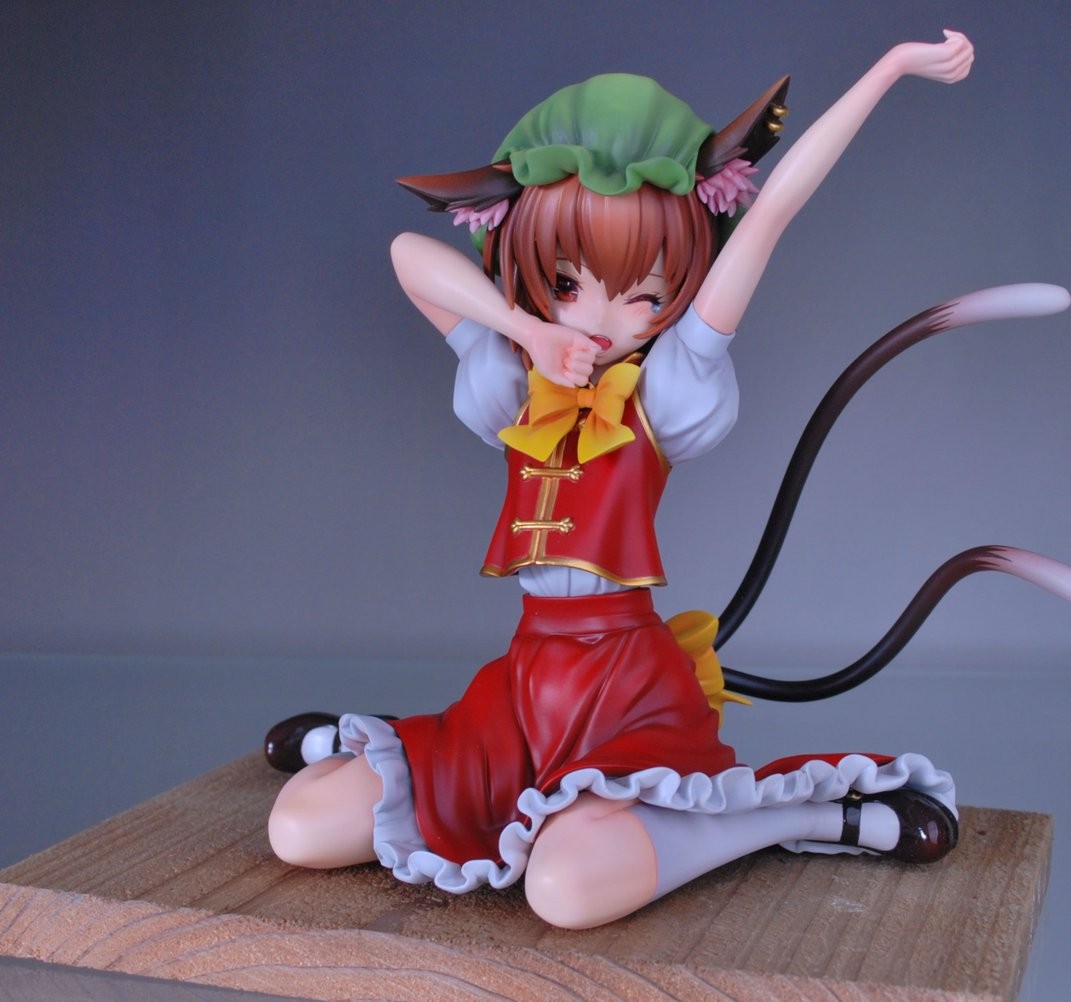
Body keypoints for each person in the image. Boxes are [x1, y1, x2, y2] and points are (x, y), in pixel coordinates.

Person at [266, 31, 974, 930]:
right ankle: (378, 740)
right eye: (567, 283)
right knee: (297, 830)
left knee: (564, 891)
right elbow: (412, 255)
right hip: (523, 684)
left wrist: (887, 70)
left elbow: (770, 216)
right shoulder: (511, 379)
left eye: (644, 293)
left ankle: (812, 816)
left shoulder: (667, 388)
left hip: (625, 687)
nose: (601, 318)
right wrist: (529, 331)